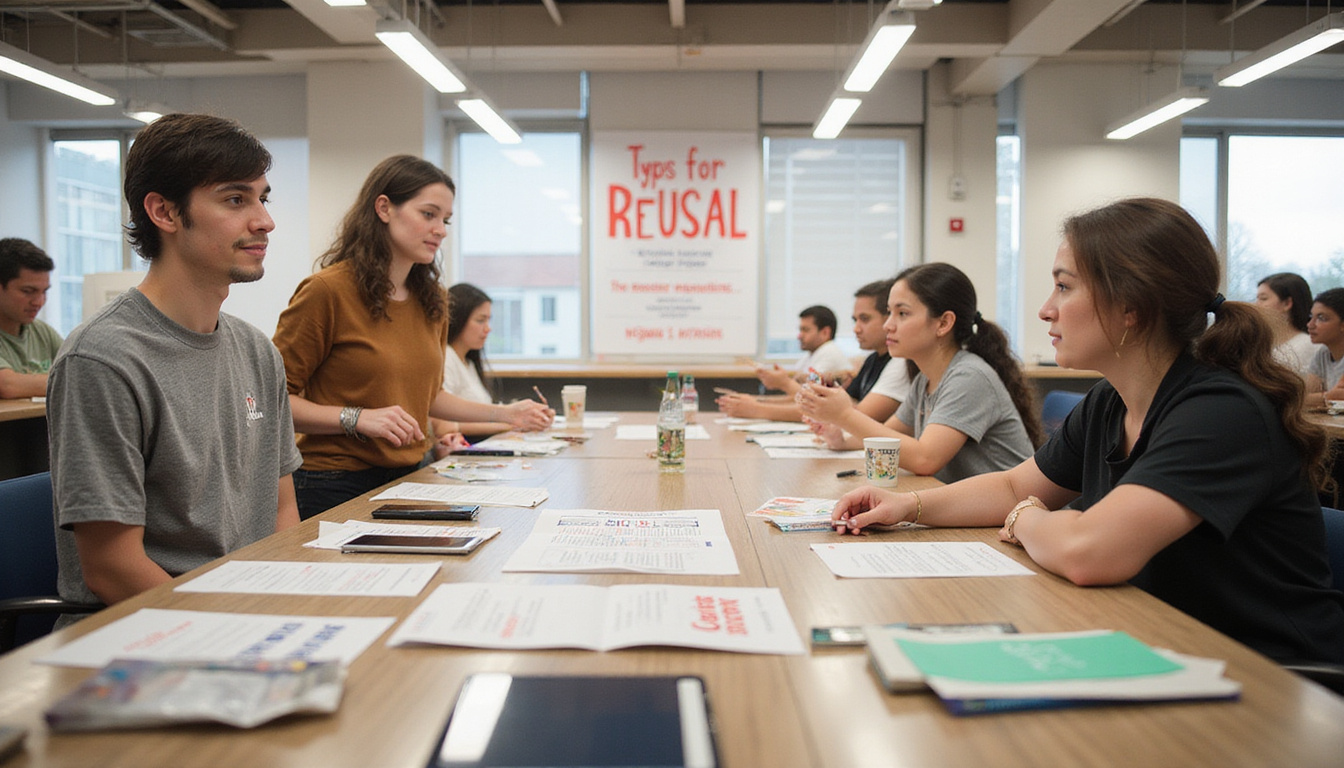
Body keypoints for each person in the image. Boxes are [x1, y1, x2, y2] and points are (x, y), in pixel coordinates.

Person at [832, 198, 1344, 666]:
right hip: (1159, 642)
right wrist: (909, 509)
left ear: (1132, 306)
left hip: (1267, 676)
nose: (1045, 309)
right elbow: (1015, 485)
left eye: (1064, 286)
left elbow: (1087, 552)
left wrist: (1027, 519)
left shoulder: (1220, 410)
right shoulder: (1111, 399)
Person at [46, 113, 302, 612]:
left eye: (262, 198)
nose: (264, 220)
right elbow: (111, 569)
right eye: (235, 199)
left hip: (247, 615)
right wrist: (239, 622)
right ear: (163, 212)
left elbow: (281, 511)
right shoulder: (103, 358)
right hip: (145, 634)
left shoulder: (256, 352)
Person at [273, 155, 552, 520]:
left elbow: (430, 396)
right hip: (332, 481)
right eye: (429, 214)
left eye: (446, 220)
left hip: (410, 474)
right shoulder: (327, 292)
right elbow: (273, 402)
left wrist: (507, 413)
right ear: (384, 208)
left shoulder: (433, 299)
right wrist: (355, 418)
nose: (441, 229)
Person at [799, 263, 1039, 483]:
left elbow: (925, 459)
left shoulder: (969, 376)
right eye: (889, 312)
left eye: (902, 313)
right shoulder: (924, 379)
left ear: (943, 323)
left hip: (1013, 520)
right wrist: (840, 440)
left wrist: (844, 416)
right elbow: (889, 436)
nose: (888, 325)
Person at [718, 279, 909, 422]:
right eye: (855, 320)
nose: (856, 328)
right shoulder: (872, 360)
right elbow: (836, 404)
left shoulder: (900, 363)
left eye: (864, 319)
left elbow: (853, 415)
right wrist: (755, 402)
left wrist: (758, 406)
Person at [430, 282, 524, 448]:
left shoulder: (468, 362)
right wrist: (511, 422)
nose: (488, 329)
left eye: (488, 320)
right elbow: (442, 426)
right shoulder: (447, 358)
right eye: (480, 320)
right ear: (457, 319)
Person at [0, 238, 62, 399]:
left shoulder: (42, 331)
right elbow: (8, 386)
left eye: (44, 292)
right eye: (28, 291)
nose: (39, 302)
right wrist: (65, 380)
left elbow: (82, 372)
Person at [1255, 272, 1318, 377]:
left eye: (1263, 299)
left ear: (1287, 303)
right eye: (1257, 299)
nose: (1256, 304)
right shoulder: (1259, 342)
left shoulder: (1309, 345)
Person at [1306, 287, 1344, 409]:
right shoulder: (1323, 353)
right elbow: (1301, 397)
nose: (1310, 325)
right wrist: (1327, 397)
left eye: (1321, 318)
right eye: (1311, 316)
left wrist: (1322, 398)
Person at [792, 305, 852, 380]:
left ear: (825, 333)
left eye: (806, 330)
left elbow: (811, 383)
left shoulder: (830, 352)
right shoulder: (812, 353)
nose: (799, 336)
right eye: (800, 330)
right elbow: (795, 377)